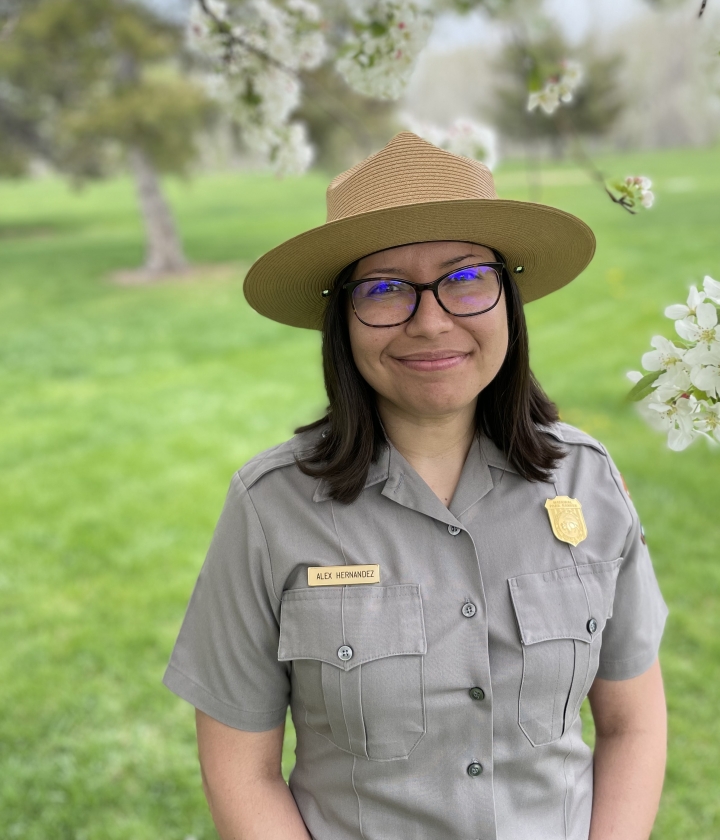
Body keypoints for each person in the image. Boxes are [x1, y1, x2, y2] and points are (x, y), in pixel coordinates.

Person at [163, 132, 669, 840]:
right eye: (385, 289)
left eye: (464, 279)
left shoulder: (586, 480)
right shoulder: (269, 508)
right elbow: (241, 771)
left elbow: (633, 723)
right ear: (343, 318)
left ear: (507, 299)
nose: (431, 321)